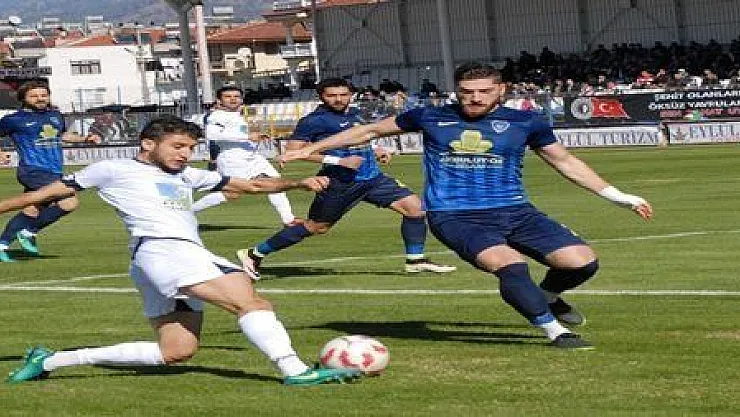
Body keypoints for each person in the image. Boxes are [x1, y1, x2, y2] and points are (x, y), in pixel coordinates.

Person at [280, 63, 654, 349]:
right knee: (510, 265)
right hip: (455, 215)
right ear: (456, 91)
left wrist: (619, 197)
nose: (474, 98)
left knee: (581, 262)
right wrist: (311, 149)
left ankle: (547, 297)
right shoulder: (430, 115)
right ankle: (554, 331)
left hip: (516, 211)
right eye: (466, 91)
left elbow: (565, 162)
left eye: (484, 91)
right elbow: (370, 131)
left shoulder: (526, 121)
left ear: (501, 90)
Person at [4, 115, 360, 385]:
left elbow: (250, 185)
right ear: (148, 144)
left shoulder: (188, 175)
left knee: (176, 351)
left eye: (190, 148)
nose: (186, 154)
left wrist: (298, 183)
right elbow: (45, 194)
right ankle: (295, 370)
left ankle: (49, 361)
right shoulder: (113, 169)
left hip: (159, 259)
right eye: (178, 146)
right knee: (250, 302)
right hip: (165, 251)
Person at [237, 78, 455, 276]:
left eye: (343, 94)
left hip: (372, 179)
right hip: (339, 182)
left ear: (351, 94)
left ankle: (415, 260)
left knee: (415, 209)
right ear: (321, 96)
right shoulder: (314, 121)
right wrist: (337, 161)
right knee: (316, 227)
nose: (339, 99)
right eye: (332, 95)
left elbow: (359, 139)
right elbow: (294, 151)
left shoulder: (356, 113)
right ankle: (254, 253)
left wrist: (376, 150)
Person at [0, 80, 101, 262]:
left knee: (32, 209)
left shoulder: (55, 115)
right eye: (34, 96)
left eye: (44, 95)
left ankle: (3, 244)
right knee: (69, 201)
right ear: (23, 98)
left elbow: (62, 135)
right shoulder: (14, 120)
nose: (40, 98)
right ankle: (28, 231)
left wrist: (85, 138)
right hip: (33, 170)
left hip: (53, 170)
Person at [191, 86, 299, 227]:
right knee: (232, 193)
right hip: (232, 159)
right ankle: (187, 211)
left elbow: (243, 135)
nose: (233, 99)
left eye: (236, 96)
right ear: (219, 101)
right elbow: (212, 135)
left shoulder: (239, 115)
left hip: (253, 157)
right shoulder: (216, 116)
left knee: (275, 183)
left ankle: (289, 219)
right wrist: (247, 136)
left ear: (241, 99)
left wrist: (258, 139)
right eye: (228, 97)